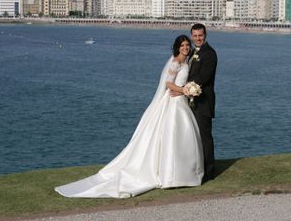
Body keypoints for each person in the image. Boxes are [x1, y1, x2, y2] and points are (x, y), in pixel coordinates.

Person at [55, 35, 204, 198]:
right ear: (177, 47)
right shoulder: (175, 62)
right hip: (174, 102)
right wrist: (184, 90)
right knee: (172, 134)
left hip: (179, 100)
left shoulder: (186, 61)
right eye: (182, 45)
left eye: (186, 45)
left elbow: (175, 84)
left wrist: (185, 90)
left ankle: (182, 173)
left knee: (181, 137)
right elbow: (168, 83)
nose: (185, 47)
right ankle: (170, 175)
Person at [172, 23, 217, 181]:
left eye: (201, 35)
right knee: (193, 137)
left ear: (205, 35)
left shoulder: (210, 54)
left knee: (205, 137)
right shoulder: (191, 53)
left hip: (203, 102)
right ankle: (196, 168)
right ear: (192, 36)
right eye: (195, 35)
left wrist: (182, 89)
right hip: (189, 102)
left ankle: (209, 172)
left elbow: (203, 77)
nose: (198, 38)